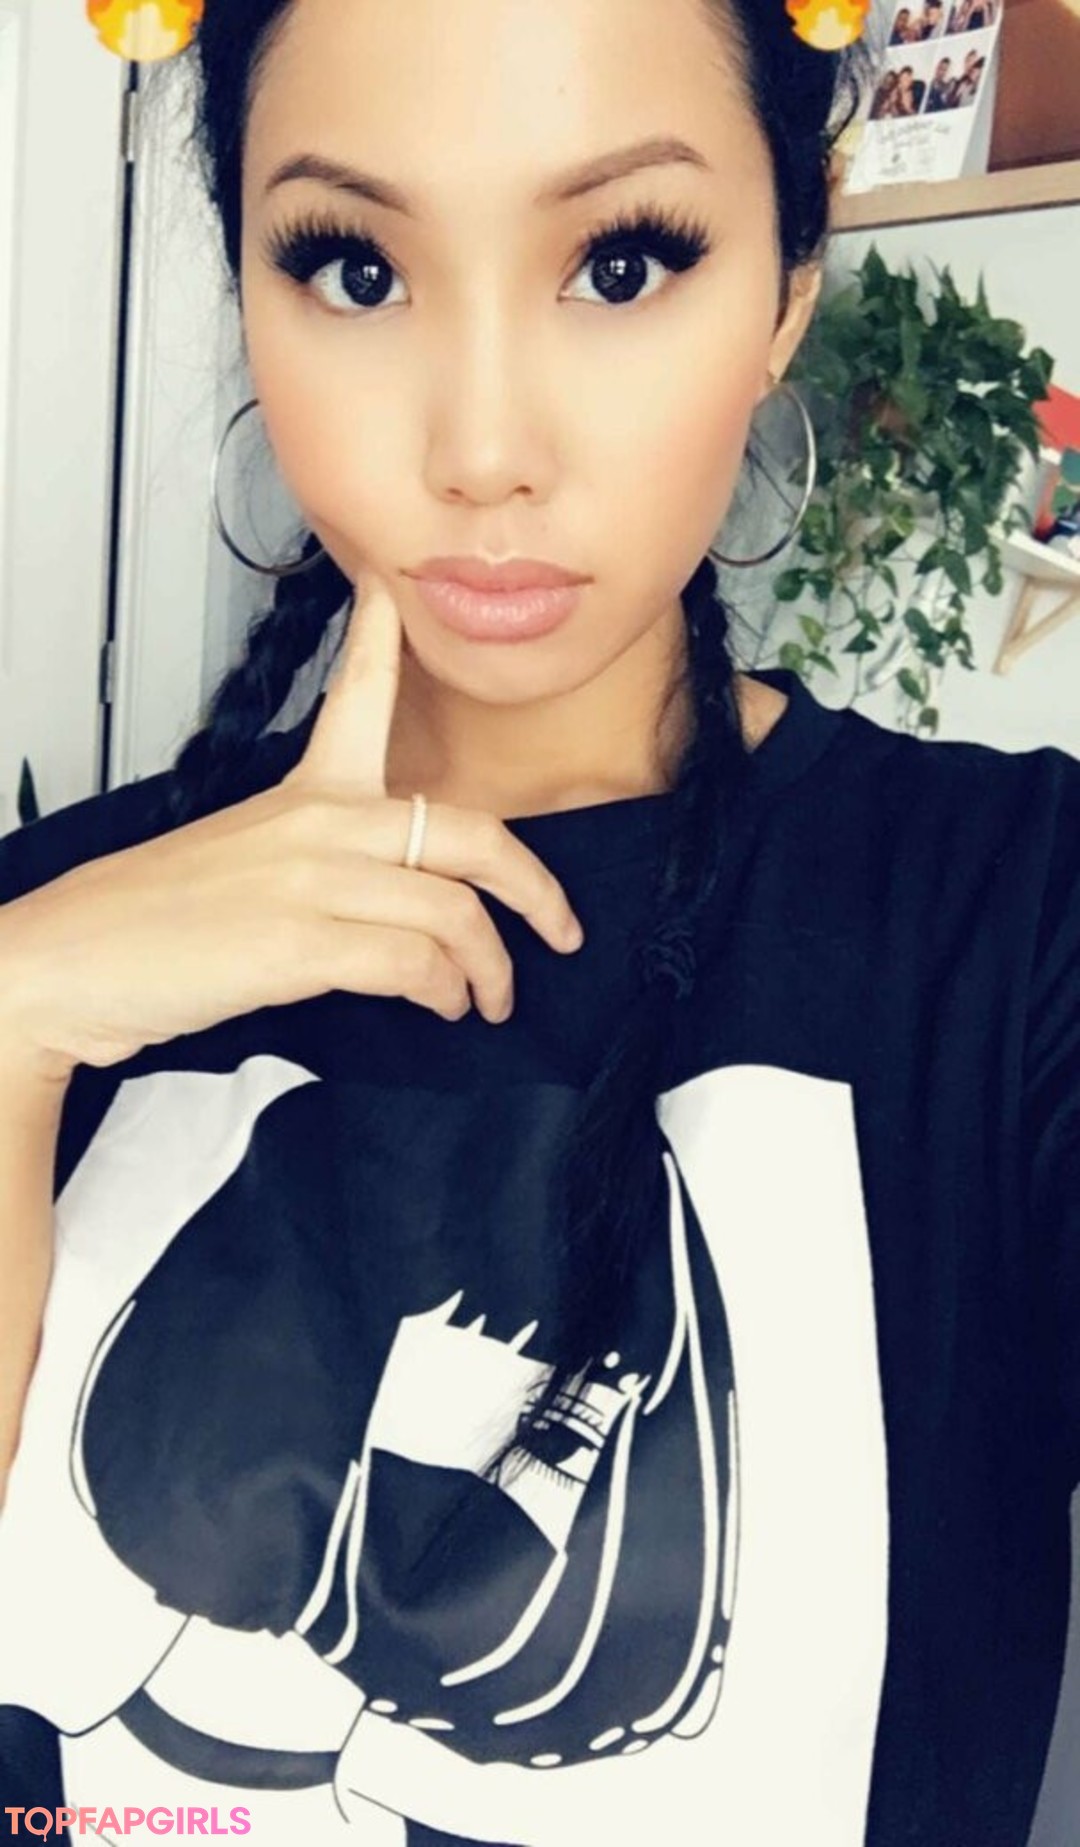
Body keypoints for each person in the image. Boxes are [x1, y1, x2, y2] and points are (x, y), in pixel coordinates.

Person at [0, 2, 1078, 1844]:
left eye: (621, 262)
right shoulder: (55, 936)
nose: (483, 446)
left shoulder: (1015, 929)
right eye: (357, 269)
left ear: (790, 278)